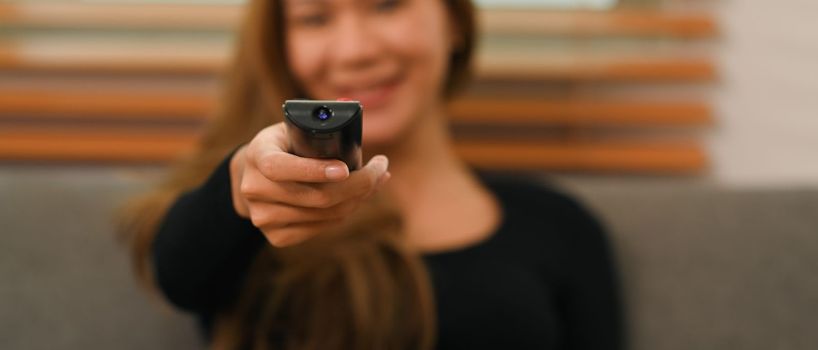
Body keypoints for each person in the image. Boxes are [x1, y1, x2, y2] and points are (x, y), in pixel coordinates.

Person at [120, 0, 623, 349]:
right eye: (315, 18)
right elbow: (180, 274)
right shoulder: (252, 214)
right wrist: (239, 185)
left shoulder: (559, 226)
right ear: (283, 45)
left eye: (387, 5)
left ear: (454, 21)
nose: (354, 50)